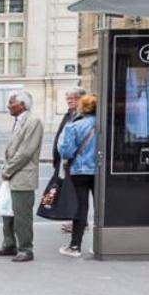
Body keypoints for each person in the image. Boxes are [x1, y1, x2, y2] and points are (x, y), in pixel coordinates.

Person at [0, 89, 44, 262]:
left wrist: (8, 170)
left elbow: (26, 152)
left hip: (23, 175)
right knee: (7, 212)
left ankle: (26, 248)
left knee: (22, 215)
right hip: (14, 174)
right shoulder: (19, 121)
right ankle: (9, 244)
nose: (8, 106)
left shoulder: (33, 122)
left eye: (11, 102)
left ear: (22, 105)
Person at [56, 93, 99, 257]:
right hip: (99, 171)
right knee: (100, 208)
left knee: (81, 208)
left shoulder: (74, 126)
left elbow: (66, 151)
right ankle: (100, 245)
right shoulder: (104, 125)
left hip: (79, 171)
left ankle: (75, 246)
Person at [50, 89, 81, 232]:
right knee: (68, 191)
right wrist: (56, 157)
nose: (69, 101)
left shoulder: (81, 116)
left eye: (73, 99)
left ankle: (79, 221)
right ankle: (75, 219)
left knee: (76, 193)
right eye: (68, 99)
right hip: (64, 159)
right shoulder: (69, 114)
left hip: (74, 161)